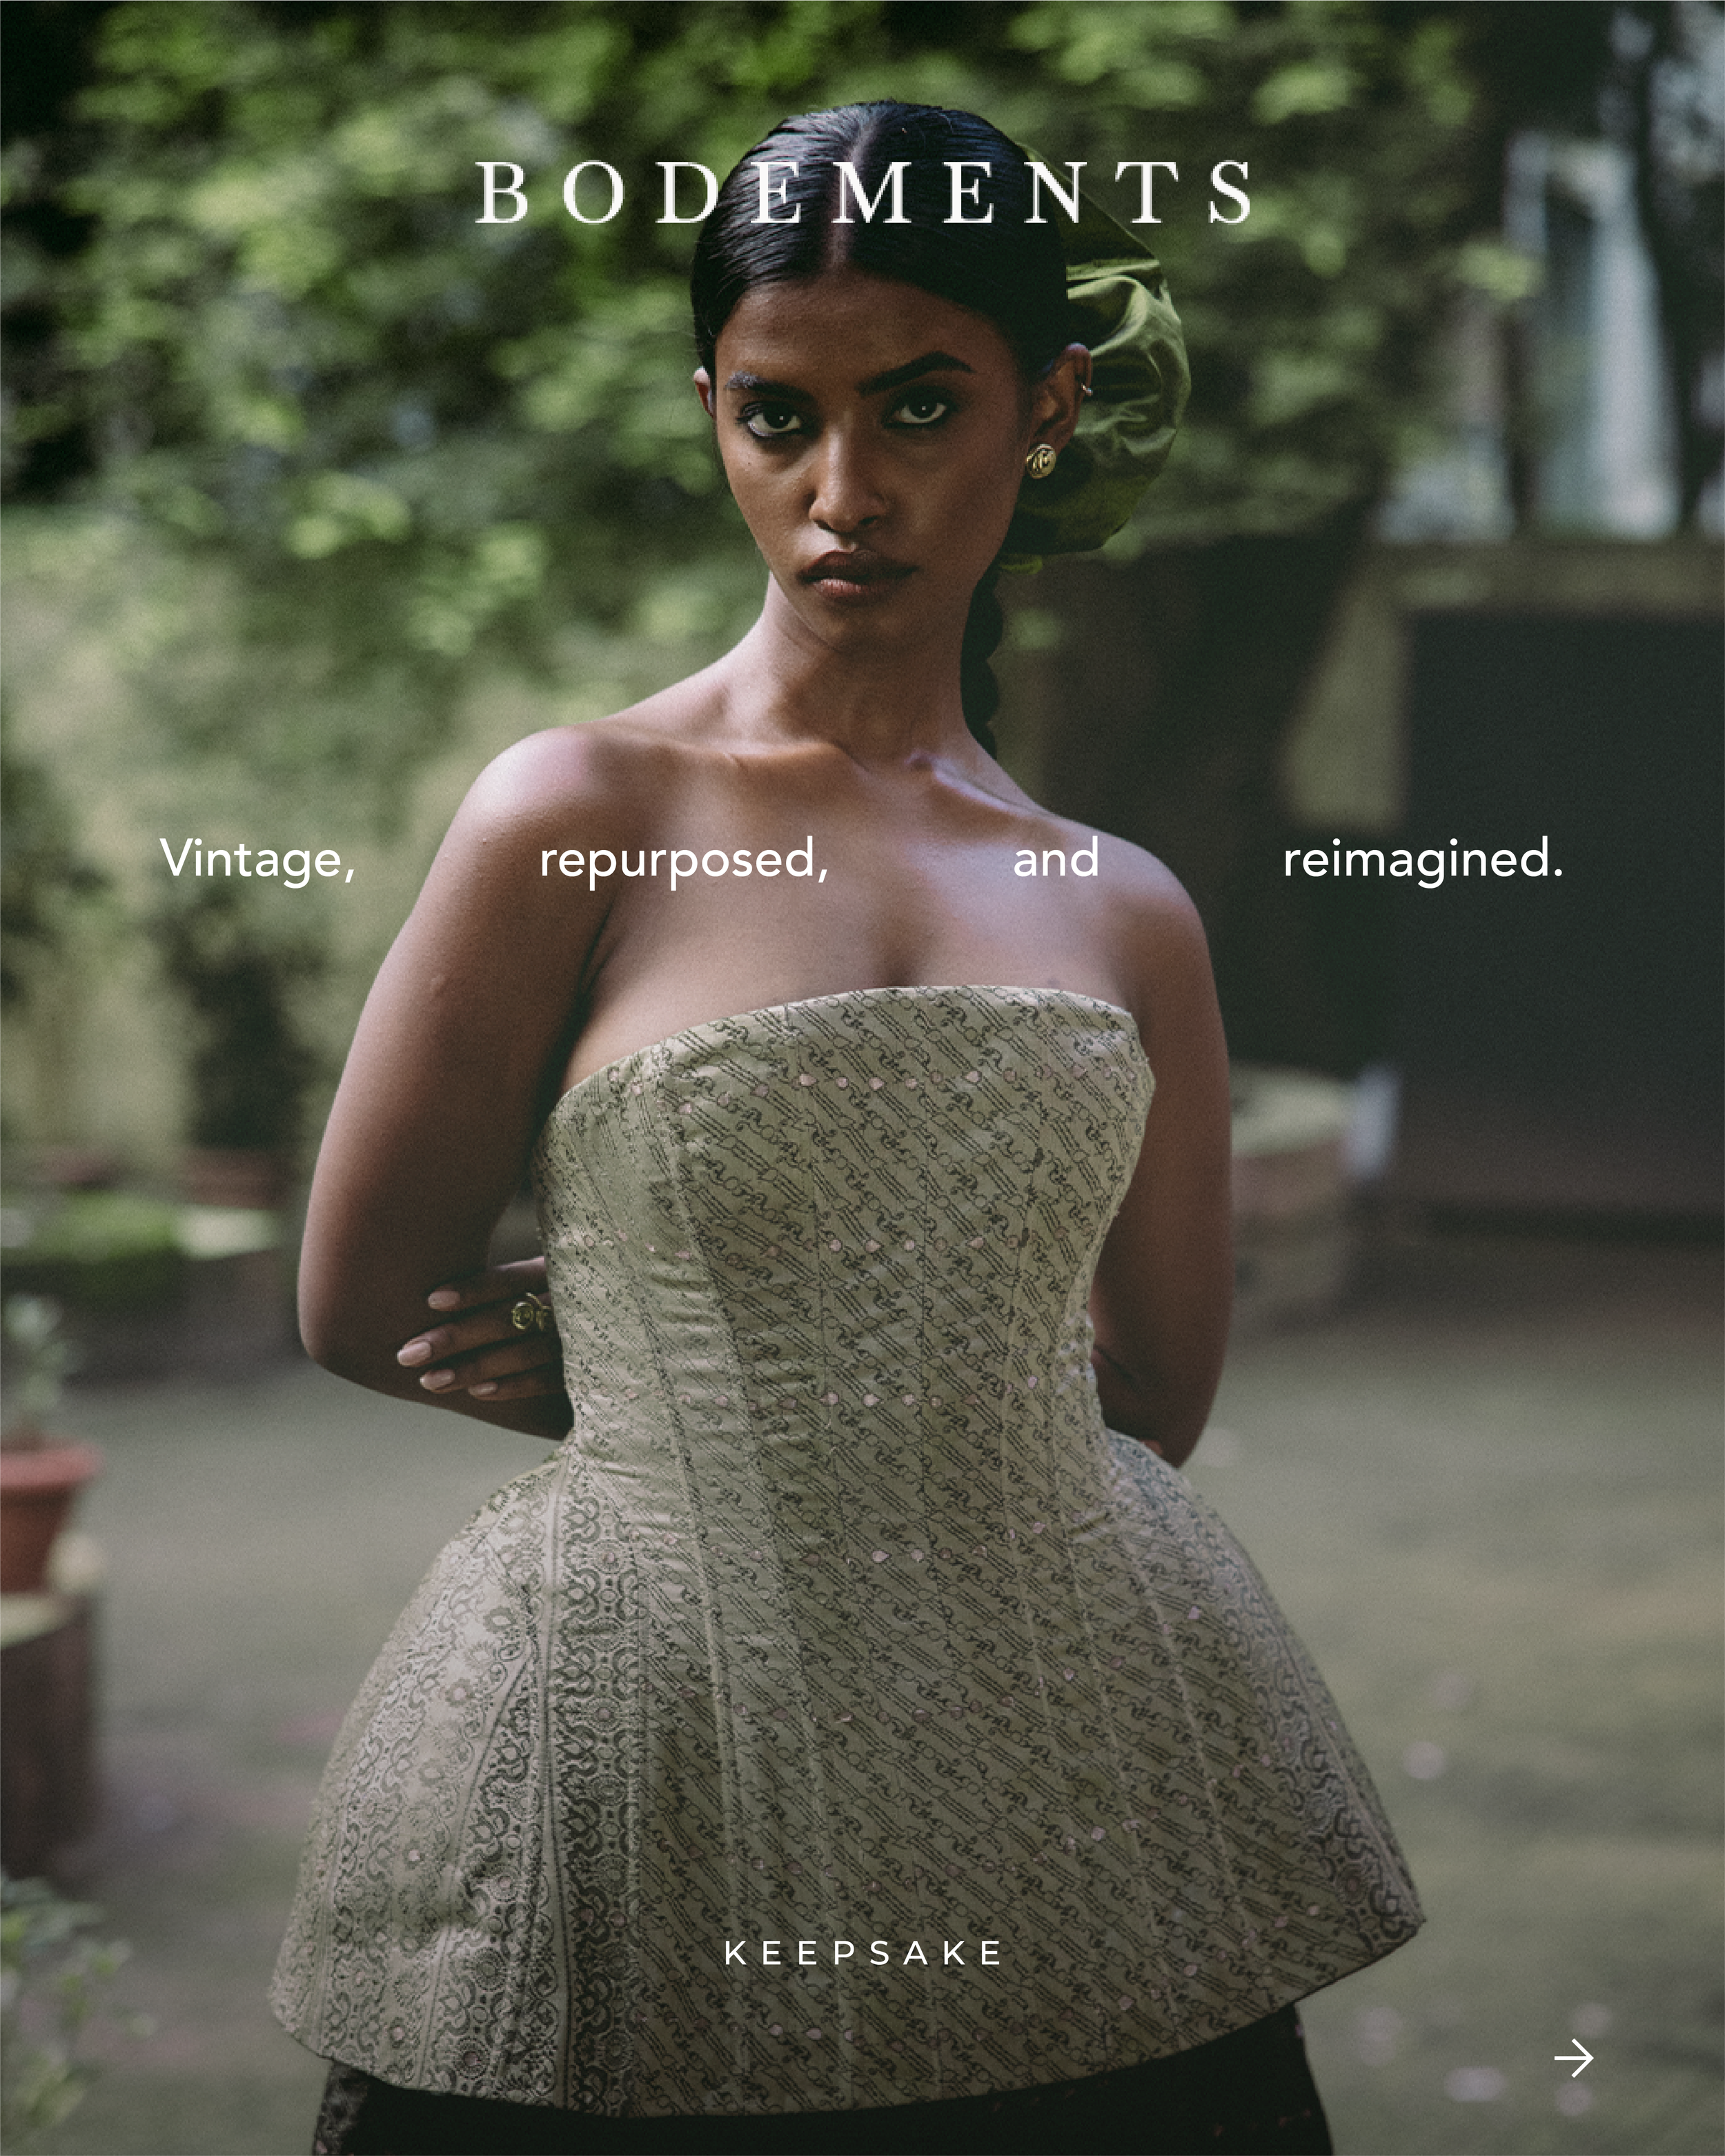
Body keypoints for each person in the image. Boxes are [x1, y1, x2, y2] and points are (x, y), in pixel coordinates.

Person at [273, 101, 1420, 2156]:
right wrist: (677, 1397)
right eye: (776, 415)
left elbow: (1152, 1387)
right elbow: (360, 1296)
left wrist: (881, 1421)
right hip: (654, 1738)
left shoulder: (1121, 903)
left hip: (1065, 1758)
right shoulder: (572, 813)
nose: (842, 490)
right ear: (709, 406)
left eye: (916, 406)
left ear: (1046, 407)